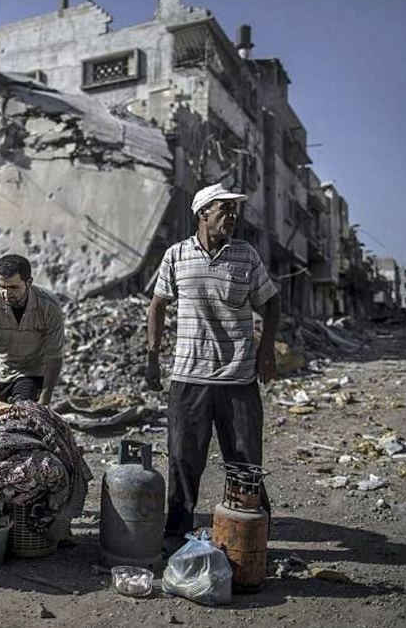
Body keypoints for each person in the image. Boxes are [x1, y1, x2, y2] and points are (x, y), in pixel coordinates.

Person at [145, 183, 281, 551]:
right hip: (189, 377)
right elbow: (157, 305)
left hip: (238, 377)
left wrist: (266, 351)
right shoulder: (176, 256)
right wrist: (152, 357)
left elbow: (271, 302)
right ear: (203, 213)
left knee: (245, 459)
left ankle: (254, 532)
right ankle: (175, 534)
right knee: (183, 458)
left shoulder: (246, 255)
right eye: (225, 209)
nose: (232, 216)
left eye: (235, 210)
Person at [0, 254, 65, 409]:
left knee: (24, 412)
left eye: (13, 287)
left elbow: (54, 356)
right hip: (2, 367)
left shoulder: (49, 306)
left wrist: (43, 403)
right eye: (1, 286)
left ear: (28, 282)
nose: (6, 293)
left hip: (32, 369)